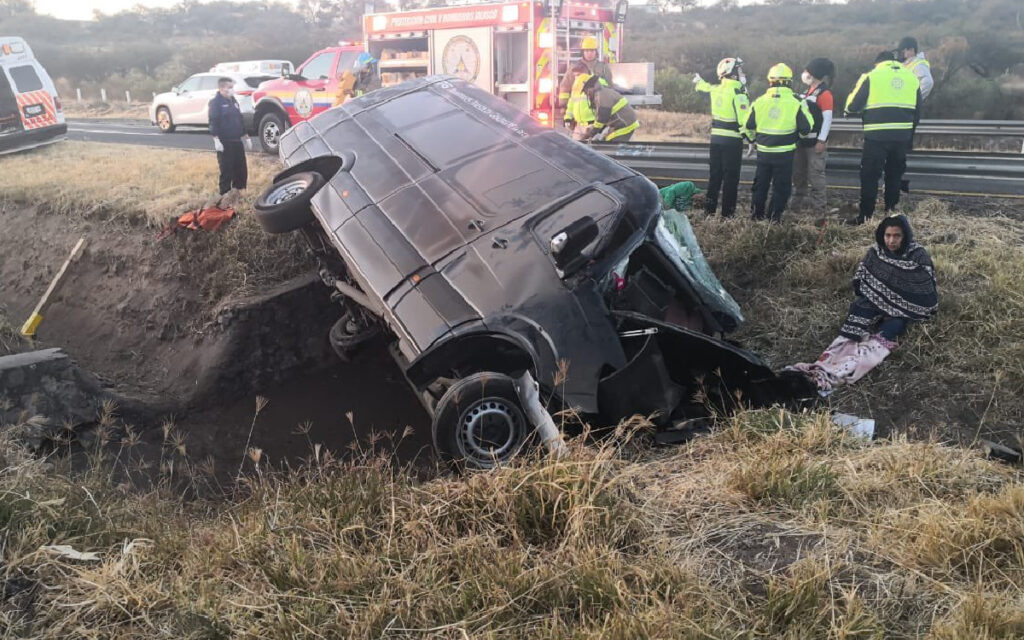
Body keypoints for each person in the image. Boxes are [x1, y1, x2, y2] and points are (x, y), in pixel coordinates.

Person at [788, 214, 937, 393]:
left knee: (885, 335)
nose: (891, 241)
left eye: (897, 236)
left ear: (905, 236)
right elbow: (861, 278)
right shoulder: (877, 251)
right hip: (874, 302)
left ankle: (845, 372)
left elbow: (925, 292)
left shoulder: (918, 255)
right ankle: (824, 367)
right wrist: (878, 297)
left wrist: (896, 305)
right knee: (855, 324)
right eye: (888, 235)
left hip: (902, 310)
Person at [844, 51, 920, 224]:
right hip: (901, 136)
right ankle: (891, 212)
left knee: (870, 175)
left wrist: (848, 111)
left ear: (877, 63)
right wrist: (909, 135)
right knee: (894, 175)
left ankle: (866, 216)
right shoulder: (911, 77)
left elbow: (852, 105)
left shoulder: (872, 76)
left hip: (876, 136)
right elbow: (918, 112)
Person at [744, 63, 812, 222]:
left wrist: (753, 139)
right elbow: (806, 128)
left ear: (770, 81)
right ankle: (773, 219)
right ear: (789, 82)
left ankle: (756, 217)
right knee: (781, 187)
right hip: (785, 153)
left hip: (764, 152)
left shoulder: (759, 101)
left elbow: (748, 124)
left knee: (760, 185)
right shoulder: (797, 102)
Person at [693, 57, 751, 217]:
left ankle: (709, 212)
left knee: (715, 177)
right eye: (740, 70)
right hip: (732, 141)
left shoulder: (716, 89)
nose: (743, 74)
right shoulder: (738, 92)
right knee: (730, 180)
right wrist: (751, 139)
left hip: (715, 139)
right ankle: (727, 215)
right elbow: (744, 120)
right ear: (733, 73)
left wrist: (698, 81)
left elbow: (703, 87)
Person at [791, 58, 835, 213]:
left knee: (816, 177)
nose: (804, 74)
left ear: (815, 73)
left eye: (807, 71)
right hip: (801, 142)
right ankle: (795, 207)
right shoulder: (806, 92)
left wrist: (821, 140)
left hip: (814, 143)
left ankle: (819, 209)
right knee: (798, 176)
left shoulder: (824, 93)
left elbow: (827, 119)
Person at [208, 77, 248, 197]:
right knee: (227, 169)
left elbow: (239, 119)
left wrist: (245, 135)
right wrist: (216, 139)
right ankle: (224, 194)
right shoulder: (216, 103)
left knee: (240, 168)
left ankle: (239, 191)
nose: (232, 90)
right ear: (221, 88)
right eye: (229, 87)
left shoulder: (233, 101)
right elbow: (213, 121)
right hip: (224, 141)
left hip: (236, 140)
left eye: (232, 87)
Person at [558, 34, 613, 115]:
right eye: (587, 51)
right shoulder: (574, 67)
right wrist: (563, 106)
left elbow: (610, 88)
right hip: (579, 111)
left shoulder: (603, 68)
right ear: (582, 52)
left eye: (592, 51)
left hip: (598, 110)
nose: (589, 54)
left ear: (596, 52)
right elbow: (565, 87)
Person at [577, 75, 638, 143]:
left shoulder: (602, 96)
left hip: (624, 125)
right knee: (605, 141)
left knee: (610, 146)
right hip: (621, 123)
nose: (586, 94)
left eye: (586, 91)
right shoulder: (602, 93)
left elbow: (602, 119)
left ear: (592, 88)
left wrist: (590, 134)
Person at [896, 36, 934, 101]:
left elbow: (928, 82)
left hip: (909, 103)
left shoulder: (919, 64)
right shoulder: (906, 64)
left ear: (911, 50)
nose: (901, 54)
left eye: (903, 52)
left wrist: (914, 99)